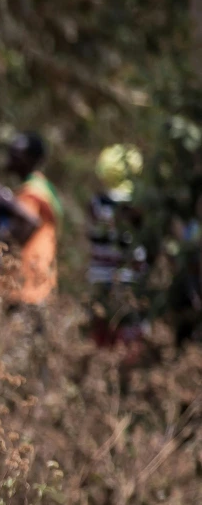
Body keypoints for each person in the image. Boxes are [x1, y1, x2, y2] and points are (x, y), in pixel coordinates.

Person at [87, 145, 148, 359]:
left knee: (103, 336)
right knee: (131, 335)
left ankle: (104, 372)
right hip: (131, 279)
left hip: (100, 277)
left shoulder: (96, 203)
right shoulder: (140, 203)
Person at [4, 131, 59, 320]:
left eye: (17, 155)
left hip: (28, 276)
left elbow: (26, 225)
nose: (10, 159)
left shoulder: (32, 193)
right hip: (39, 273)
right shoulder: (43, 187)